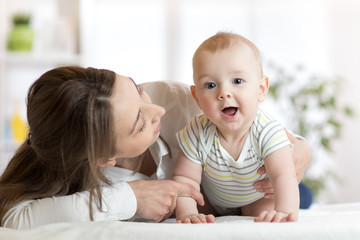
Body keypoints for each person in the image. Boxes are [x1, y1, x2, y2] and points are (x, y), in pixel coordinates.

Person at [0, 66, 311, 229]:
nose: (157, 111)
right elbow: (13, 217)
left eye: (138, 91)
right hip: (212, 206)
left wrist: (301, 151)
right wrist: (127, 199)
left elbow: (274, 133)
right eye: (139, 123)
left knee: (304, 195)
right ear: (105, 158)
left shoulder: (174, 99)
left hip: (251, 185)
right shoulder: (83, 176)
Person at [173, 32, 300, 223]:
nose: (224, 93)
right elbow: (186, 180)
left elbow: (283, 174)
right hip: (210, 203)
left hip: (254, 199)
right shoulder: (196, 132)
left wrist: (284, 211)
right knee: (191, 199)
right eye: (210, 85)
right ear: (196, 97)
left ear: (261, 89)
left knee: (268, 204)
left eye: (237, 81)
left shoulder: (268, 131)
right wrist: (188, 213)